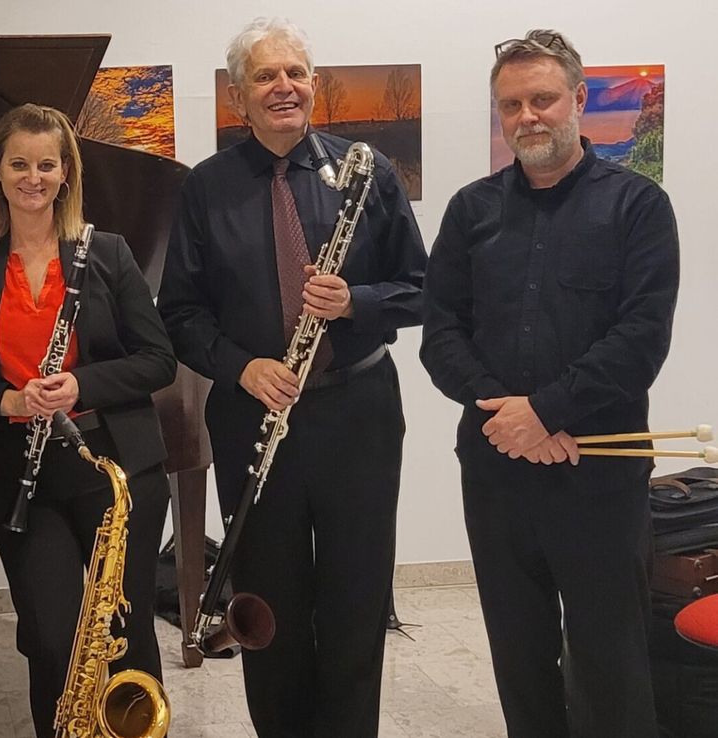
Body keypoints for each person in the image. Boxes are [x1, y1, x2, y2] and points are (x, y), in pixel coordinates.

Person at [158, 18, 427, 737]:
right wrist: (242, 367)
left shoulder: (368, 172)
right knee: (267, 598)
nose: (284, 86)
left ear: (314, 85)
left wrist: (356, 301)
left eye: (296, 73)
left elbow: (424, 288)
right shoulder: (206, 189)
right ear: (239, 97)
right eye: (266, 76)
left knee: (357, 592)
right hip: (254, 414)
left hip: (358, 412)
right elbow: (179, 313)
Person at [420, 29, 679, 738]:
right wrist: (514, 420)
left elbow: (641, 339)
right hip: (496, 469)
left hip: (600, 471)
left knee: (610, 659)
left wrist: (547, 411)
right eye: (511, 104)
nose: (527, 116)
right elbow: (440, 333)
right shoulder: (470, 211)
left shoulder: (639, 208)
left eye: (542, 99)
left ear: (578, 99)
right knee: (518, 655)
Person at [0, 103, 177, 737]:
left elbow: (158, 361)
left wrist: (80, 384)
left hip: (115, 467)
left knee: (124, 635)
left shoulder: (110, 254)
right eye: (19, 164)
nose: (32, 177)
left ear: (66, 173)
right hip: (24, 474)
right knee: (51, 639)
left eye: (46, 164)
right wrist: (6, 402)